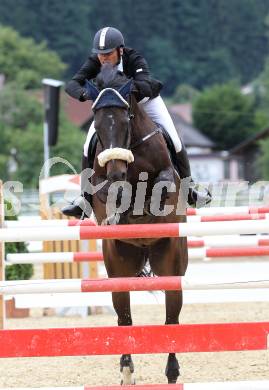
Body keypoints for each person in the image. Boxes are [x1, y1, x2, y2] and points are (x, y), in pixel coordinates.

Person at [62, 26, 211, 218]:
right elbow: (72, 84)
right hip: (112, 111)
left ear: (120, 50)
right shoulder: (95, 62)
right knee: (87, 144)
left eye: (108, 53)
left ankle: (189, 189)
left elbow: (145, 84)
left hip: (145, 103)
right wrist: (85, 94)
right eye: (100, 54)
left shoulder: (134, 59)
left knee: (173, 138)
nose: (103, 58)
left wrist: (123, 89)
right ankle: (85, 199)